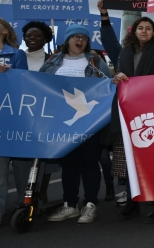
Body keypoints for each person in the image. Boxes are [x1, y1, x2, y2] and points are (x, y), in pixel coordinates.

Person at [39, 24, 111, 224]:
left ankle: (90, 204)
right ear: (68, 40)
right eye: (76, 37)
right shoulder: (54, 60)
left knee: (89, 162)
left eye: (84, 38)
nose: (80, 40)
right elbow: (38, 82)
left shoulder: (95, 61)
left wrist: (116, 81)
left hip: (89, 119)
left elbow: (107, 82)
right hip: (61, 121)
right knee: (69, 163)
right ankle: (70, 204)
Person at [111, 16, 154, 223]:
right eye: (141, 28)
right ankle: (132, 202)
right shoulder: (124, 53)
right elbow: (119, 75)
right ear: (134, 31)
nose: (144, 31)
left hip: (152, 112)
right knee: (130, 157)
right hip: (129, 110)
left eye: (148, 28)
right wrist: (118, 78)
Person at [21, 21, 55, 204]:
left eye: (37, 35)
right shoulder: (17, 57)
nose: (32, 38)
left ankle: (42, 190)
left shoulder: (52, 60)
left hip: (43, 114)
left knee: (43, 156)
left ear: (46, 39)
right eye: (28, 35)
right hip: (22, 114)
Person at [0, 18, 28, 225]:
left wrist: (10, 74)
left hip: (15, 119)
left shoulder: (17, 54)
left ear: (5, 31)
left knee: (21, 170)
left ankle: (23, 207)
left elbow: (24, 83)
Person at [91, 49, 115, 202]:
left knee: (104, 159)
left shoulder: (106, 81)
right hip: (85, 124)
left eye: (95, 57)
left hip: (102, 125)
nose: (91, 58)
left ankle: (110, 187)